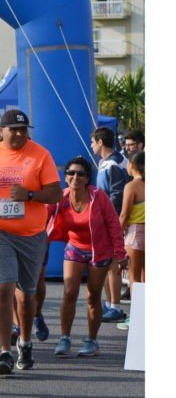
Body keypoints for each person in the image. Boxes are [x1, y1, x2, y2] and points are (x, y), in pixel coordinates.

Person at [0, 109, 62, 374]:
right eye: (13, 129)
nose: (19, 134)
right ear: (1, 131)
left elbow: (56, 193)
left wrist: (30, 195)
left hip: (32, 235)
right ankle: (5, 352)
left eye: (23, 129)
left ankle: (25, 341)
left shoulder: (40, 154)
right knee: (3, 287)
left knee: (27, 294)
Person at [47, 156, 126, 356]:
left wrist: (120, 253)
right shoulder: (61, 197)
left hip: (99, 250)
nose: (75, 177)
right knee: (69, 293)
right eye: (71, 173)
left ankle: (92, 341)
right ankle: (64, 338)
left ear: (87, 178)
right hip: (74, 247)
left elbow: (114, 224)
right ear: (65, 176)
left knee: (93, 296)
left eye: (80, 174)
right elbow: (42, 216)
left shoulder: (98, 197)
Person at [90, 127, 129, 323]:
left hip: (111, 221)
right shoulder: (105, 162)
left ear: (100, 142)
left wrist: (108, 219)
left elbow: (116, 195)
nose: (91, 146)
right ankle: (109, 303)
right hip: (105, 220)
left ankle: (115, 306)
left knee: (113, 264)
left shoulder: (113, 164)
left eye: (92, 142)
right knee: (106, 263)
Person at [118, 150, 145, 305]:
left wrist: (116, 235)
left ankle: (137, 315)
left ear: (133, 165)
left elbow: (124, 215)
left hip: (135, 233)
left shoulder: (131, 186)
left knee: (134, 277)